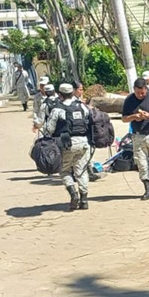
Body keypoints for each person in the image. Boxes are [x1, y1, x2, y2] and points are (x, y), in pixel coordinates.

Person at [40, 82, 93, 211]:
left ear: (60, 95)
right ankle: (84, 200)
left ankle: (73, 194)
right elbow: (90, 121)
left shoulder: (57, 109)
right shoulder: (82, 107)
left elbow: (49, 129)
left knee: (64, 170)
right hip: (84, 143)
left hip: (66, 144)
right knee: (81, 171)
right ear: (72, 93)